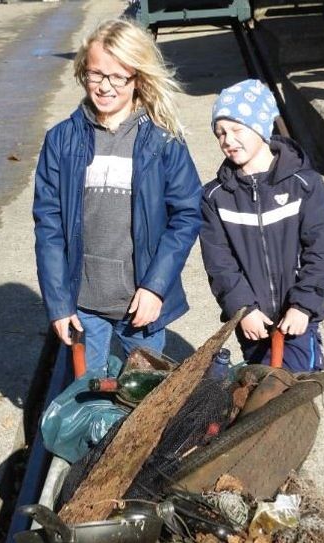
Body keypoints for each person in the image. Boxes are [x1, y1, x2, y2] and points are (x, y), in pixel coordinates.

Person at [33, 18, 202, 378]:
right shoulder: (61, 141)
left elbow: (186, 214)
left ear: (137, 77)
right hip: (83, 305)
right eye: (96, 74)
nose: (105, 87)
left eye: (117, 77)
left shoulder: (163, 140)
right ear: (82, 72)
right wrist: (59, 304)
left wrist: (156, 287)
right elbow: (48, 227)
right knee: (86, 398)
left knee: (141, 400)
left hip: (140, 306)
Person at [199, 79, 324, 373]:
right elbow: (220, 264)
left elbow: (321, 250)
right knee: (259, 387)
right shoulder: (216, 197)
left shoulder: (304, 184)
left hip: (297, 317)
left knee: (293, 386)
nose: (228, 140)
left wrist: (303, 306)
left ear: (260, 128)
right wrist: (243, 309)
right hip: (252, 320)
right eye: (220, 133)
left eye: (237, 129)